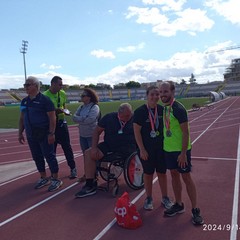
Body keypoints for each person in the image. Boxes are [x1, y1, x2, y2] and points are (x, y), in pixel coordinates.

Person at [159, 81, 204, 225]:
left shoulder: (178, 108)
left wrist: (183, 153)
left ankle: (195, 209)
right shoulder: (165, 109)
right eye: (161, 92)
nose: (162, 95)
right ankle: (179, 204)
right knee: (173, 175)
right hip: (168, 149)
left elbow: (186, 132)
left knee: (186, 177)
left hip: (180, 151)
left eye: (165, 92)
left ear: (172, 92)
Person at [75, 103, 136, 198]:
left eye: (129, 115)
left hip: (127, 148)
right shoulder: (109, 117)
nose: (128, 118)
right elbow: (96, 131)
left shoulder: (134, 118)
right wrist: (94, 148)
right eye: (126, 116)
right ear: (119, 114)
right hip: (110, 145)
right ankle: (90, 183)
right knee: (88, 153)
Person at [18, 76, 63, 191]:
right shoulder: (24, 101)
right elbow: (22, 118)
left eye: (28, 85)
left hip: (44, 133)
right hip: (31, 134)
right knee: (36, 156)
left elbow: (52, 118)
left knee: (49, 156)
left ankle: (55, 178)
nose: (25, 87)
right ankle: (43, 177)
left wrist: (51, 133)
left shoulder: (45, 100)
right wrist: (20, 132)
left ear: (36, 86)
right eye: (25, 85)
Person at [133, 86, 172, 210]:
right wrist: (142, 149)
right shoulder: (140, 111)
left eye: (157, 94)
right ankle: (149, 198)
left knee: (162, 173)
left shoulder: (163, 110)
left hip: (161, 148)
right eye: (152, 94)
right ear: (147, 95)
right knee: (148, 174)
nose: (155, 97)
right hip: (146, 150)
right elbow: (137, 132)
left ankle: (165, 197)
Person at [44, 76, 77, 179]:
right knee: (51, 150)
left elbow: (63, 105)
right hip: (51, 125)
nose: (61, 86)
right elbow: (44, 111)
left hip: (62, 123)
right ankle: (53, 173)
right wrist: (55, 111)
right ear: (52, 84)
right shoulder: (45, 96)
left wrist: (65, 111)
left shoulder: (62, 93)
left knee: (67, 147)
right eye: (59, 84)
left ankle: (73, 169)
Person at [72, 88, 100, 182]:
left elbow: (90, 120)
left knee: (92, 155)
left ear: (89, 97)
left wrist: (80, 119)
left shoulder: (94, 107)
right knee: (85, 155)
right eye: (81, 96)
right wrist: (83, 118)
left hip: (91, 135)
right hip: (82, 135)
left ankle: (94, 174)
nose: (81, 97)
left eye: (83, 96)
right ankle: (87, 174)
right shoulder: (81, 107)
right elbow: (74, 118)